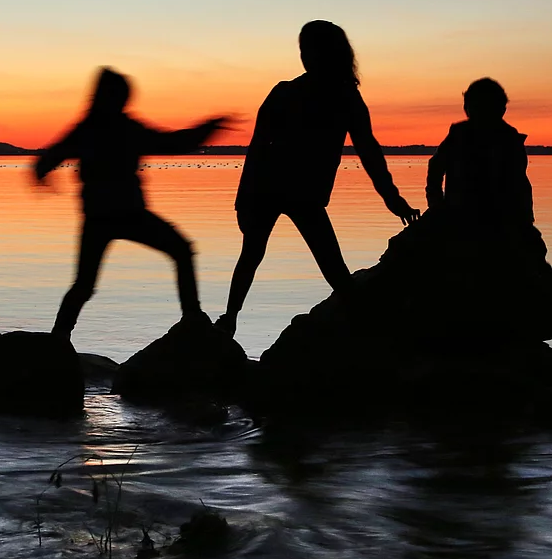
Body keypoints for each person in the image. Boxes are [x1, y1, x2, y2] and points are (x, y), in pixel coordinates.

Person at [216, 20, 421, 337]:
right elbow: (257, 148)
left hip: (299, 194)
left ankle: (365, 331)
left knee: (329, 266)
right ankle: (229, 319)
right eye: (302, 49)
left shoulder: (343, 97)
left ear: (329, 52)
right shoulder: (288, 92)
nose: (305, 55)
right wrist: (243, 200)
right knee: (254, 254)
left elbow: (369, 151)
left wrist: (393, 200)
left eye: (309, 48)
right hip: (271, 188)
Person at [34, 67, 228, 339]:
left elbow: (47, 159)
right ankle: (192, 317)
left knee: (84, 284)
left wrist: (42, 174)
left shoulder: (87, 128)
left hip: (100, 215)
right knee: (181, 251)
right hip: (127, 213)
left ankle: (58, 338)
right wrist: (207, 130)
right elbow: (172, 143)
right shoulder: (120, 127)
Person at [425, 77, 552, 350]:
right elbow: (436, 168)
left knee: (534, 267)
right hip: (467, 217)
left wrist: (519, 221)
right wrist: (437, 206)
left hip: (505, 219)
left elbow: (516, 184)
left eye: (482, 106)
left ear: (500, 110)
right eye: (472, 106)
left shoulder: (508, 140)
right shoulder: (460, 135)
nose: (474, 112)